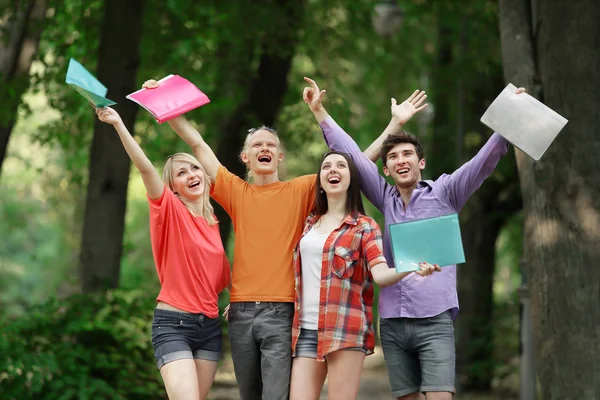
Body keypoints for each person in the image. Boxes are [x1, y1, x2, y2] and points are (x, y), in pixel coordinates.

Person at [302, 77, 525, 400]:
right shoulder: (384, 198)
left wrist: (508, 121)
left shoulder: (447, 192)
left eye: (408, 155)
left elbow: (482, 163)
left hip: (434, 319)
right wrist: (320, 113)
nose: (401, 160)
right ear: (387, 170)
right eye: (393, 158)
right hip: (392, 323)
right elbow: (350, 152)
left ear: (421, 163)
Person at [139, 79, 317, 400]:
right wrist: (161, 99)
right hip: (241, 314)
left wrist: (392, 126)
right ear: (245, 157)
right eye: (257, 146)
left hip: (281, 311)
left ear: (280, 156)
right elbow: (197, 144)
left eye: (271, 145)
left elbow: (348, 169)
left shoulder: (301, 189)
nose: (264, 149)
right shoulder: (237, 192)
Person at [95, 107, 230, 400]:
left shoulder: (213, 224)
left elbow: (220, 280)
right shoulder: (169, 211)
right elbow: (145, 168)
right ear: (174, 188)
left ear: (205, 178)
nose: (191, 174)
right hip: (174, 324)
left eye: (194, 168)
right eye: (181, 173)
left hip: (209, 328)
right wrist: (119, 123)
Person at [289, 150, 440, 400]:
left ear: (351, 179)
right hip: (306, 330)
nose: (333, 170)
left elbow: (380, 273)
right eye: (326, 166)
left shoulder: (365, 227)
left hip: (345, 328)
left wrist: (413, 265)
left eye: (341, 166)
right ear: (320, 179)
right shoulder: (308, 223)